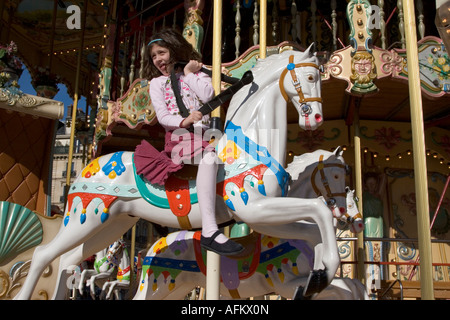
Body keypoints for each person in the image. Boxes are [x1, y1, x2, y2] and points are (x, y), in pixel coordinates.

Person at [135, 28, 243, 256]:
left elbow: (208, 95)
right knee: (210, 157)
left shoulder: (194, 73)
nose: (158, 60)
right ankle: (210, 231)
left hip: (206, 134)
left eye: (161, 53)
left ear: (173, 50)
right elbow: (163, 117)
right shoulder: (157, 83)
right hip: (179, 136)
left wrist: (189, 73)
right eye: (153, 56)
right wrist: (184, 120)